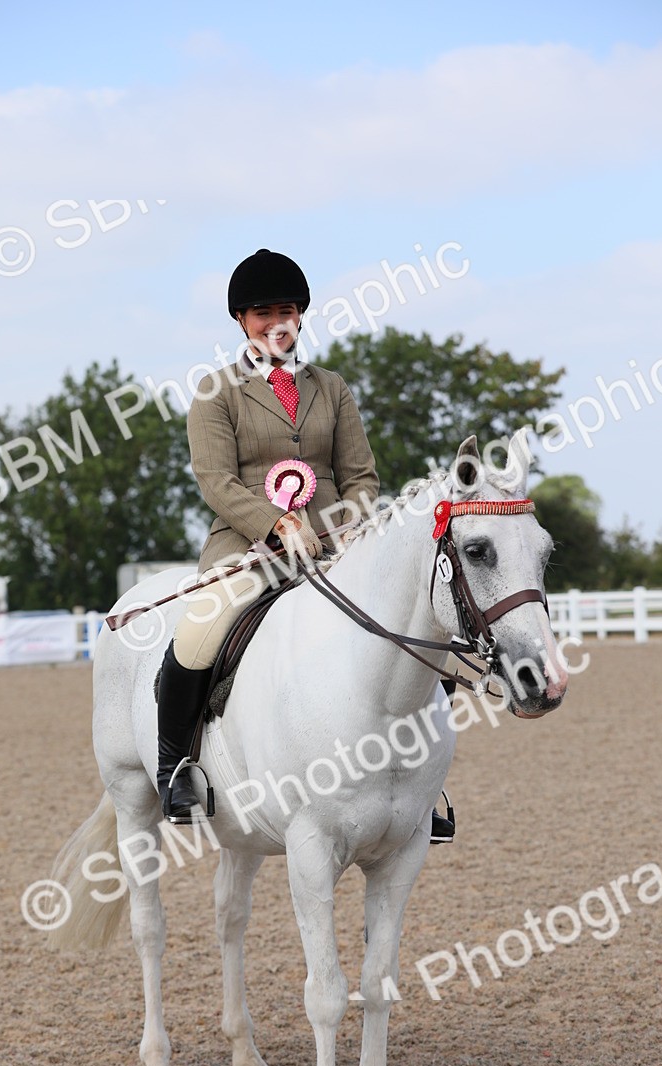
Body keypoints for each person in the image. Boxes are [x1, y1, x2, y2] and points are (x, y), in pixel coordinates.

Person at [155, 248, 455, 845]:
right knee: (196, 634)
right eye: (263, 312)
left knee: (423, 634)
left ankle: (425, 781)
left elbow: (361, 474)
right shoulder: (217, 394)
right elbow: (216, 481)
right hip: (249, 549)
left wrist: (350, 524)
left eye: (287, 310)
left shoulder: (332, 389)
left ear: (302, 316)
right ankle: (177, 769)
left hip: (335, 548)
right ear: (242, 320)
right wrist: (273, 523)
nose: (277, 322)